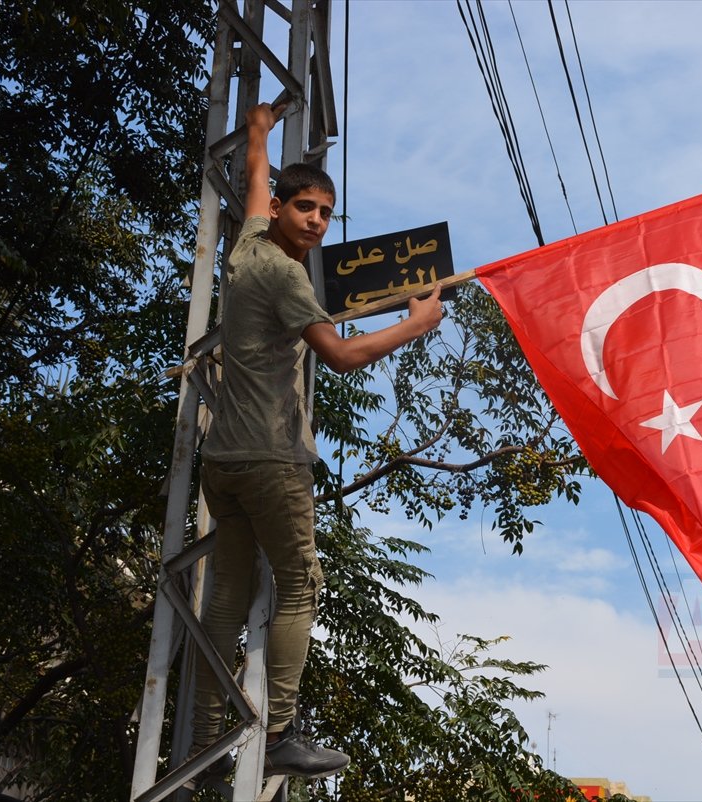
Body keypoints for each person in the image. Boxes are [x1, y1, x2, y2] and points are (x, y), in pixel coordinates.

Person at [187, 102, 443, 783]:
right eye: (306, 209)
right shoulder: (283, 274)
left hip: (224, 461)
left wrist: (260, 135)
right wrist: (416, 325)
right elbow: (340, 356)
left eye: (327, 213)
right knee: (301, 583)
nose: (318, 223)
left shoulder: (244, 247)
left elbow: (252, 179)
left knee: (225, 600)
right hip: (271, 459)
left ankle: (205, 743)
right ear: (281, 210)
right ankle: (279, 734)